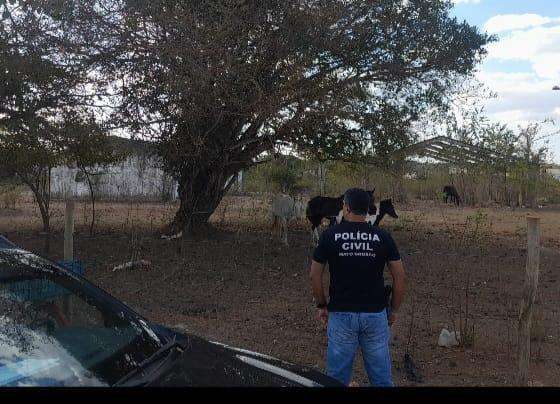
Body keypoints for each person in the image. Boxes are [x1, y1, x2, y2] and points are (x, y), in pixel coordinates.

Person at [309, 188, 406, 387]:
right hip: (375, 316)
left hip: (341, 315)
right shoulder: (382, 236)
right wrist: (394, 309)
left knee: (336, 379)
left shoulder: (330, 235)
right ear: (368, 210)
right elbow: (399, 276)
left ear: (346, 207)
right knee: (381, 379)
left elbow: (314, 274)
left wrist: (321, 305)